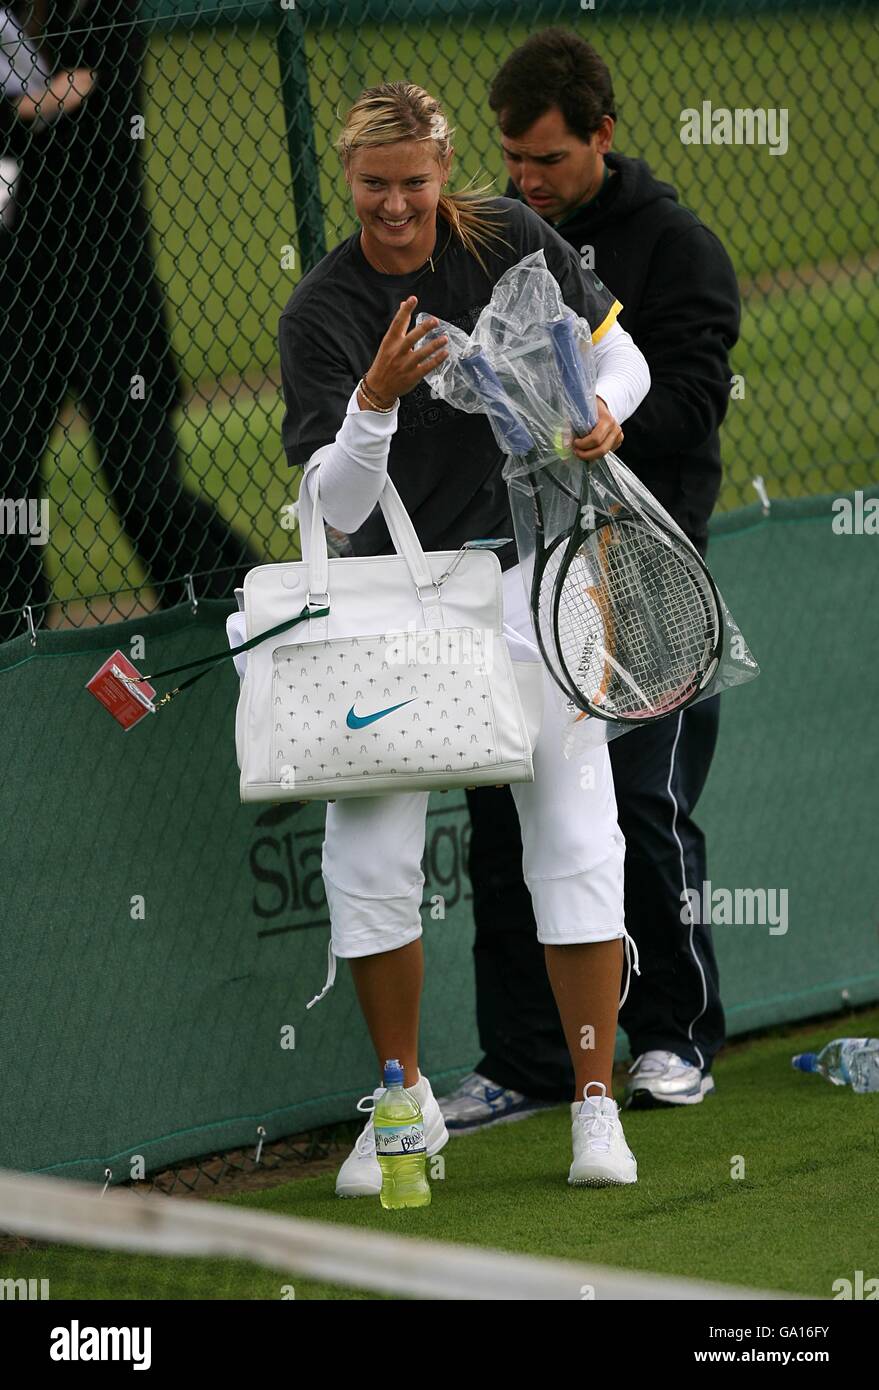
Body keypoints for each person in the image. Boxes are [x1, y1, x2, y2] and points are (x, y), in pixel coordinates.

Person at [279, 80, 651, 1193]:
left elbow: (617, 354)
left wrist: (600, 408)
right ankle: (404, 1100)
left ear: (446, 175)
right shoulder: (323, 313)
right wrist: (376, 400)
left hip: (541, 575)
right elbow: (336, 508)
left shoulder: (507, 235)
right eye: (374, 187)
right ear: (350, 179)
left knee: (578, 835)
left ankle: (595, 1103)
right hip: (391, 603)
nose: (395, 207)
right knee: (370, 857)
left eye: (415, 184)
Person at [439, 29, 741, 1131]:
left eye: (547, 161)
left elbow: (697, 402)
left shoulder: (677, 250)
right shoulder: (487, 238)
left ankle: (673, 1035)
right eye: (511, 159)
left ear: (603, 137)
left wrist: (605, 421)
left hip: (646, 575)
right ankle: (525, 1061)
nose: (524, 181)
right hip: (516, 577)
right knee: (502, 815)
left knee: (643, 809)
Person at [0, 0, 259, 643]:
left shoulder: (103, 9)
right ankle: (16, 634)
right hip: (19, 292)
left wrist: (31, 105)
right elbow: (43, 108)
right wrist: (33, 104)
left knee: (143, 486)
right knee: (7, 474)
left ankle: (240, 599)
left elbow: (79, 100)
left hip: (107, 288)